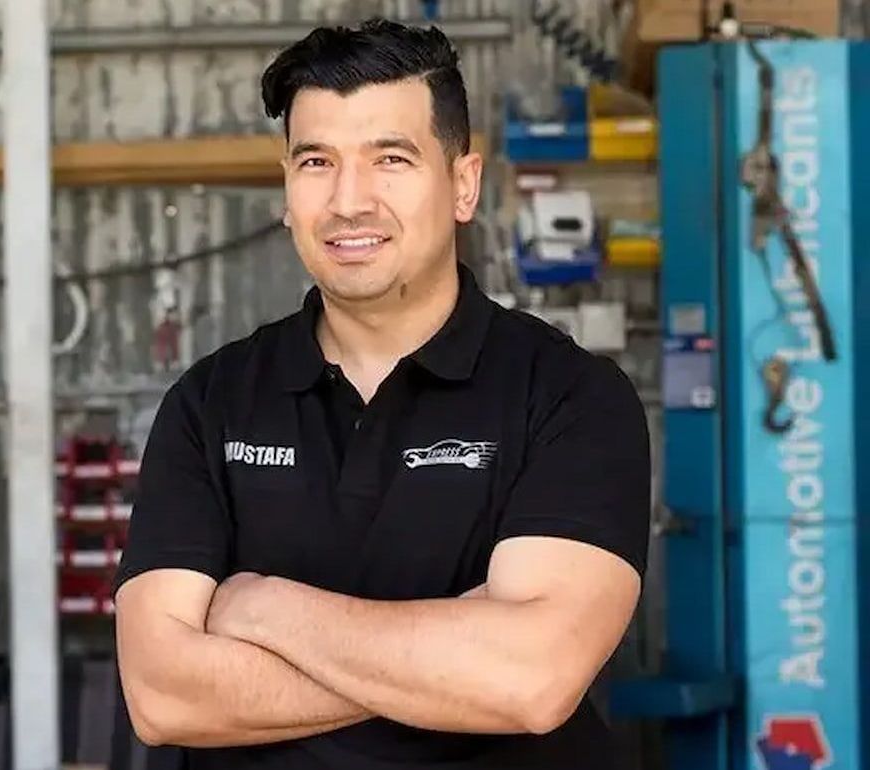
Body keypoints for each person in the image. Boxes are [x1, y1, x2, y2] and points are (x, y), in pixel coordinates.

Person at [114, 18, 650, 770]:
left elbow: (530, 680)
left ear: (463, 183)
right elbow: (164, 697)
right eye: (316, 162)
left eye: (390, 158)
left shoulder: (569, 396)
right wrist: (453, 658)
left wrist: (264, 608)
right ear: (287, 187)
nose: (348, 201)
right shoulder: (211, 403)